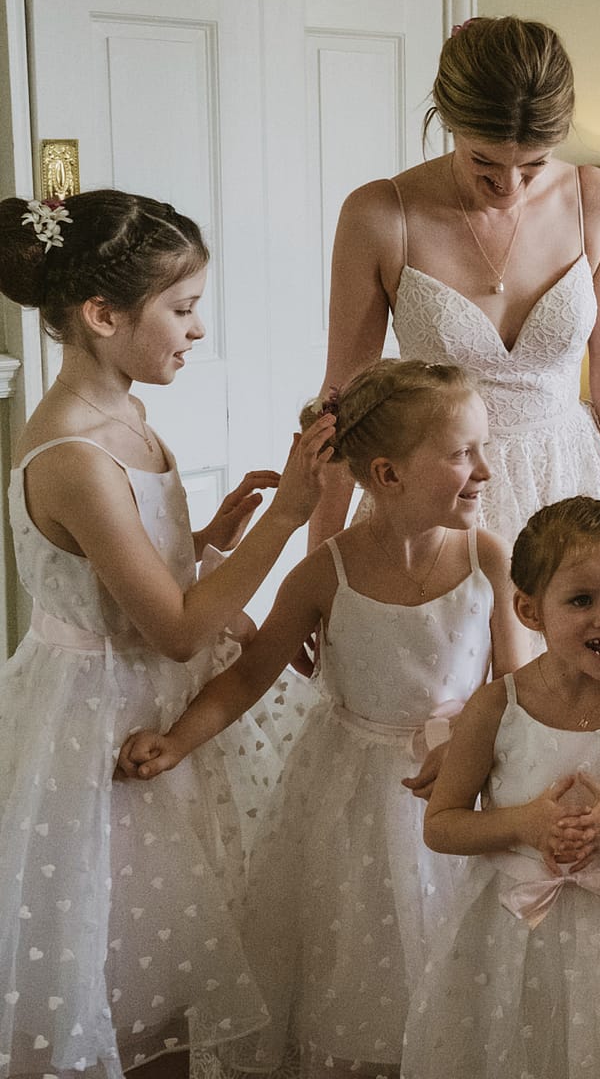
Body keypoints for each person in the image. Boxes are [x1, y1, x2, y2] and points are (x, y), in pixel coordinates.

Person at [0, 190, 336, 1075]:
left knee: (185, 941)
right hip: (100, 724)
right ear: (103, 315)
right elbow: (180, 631)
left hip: (155, 701)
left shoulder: (129, 415)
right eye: (182, 310)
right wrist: (287, 518)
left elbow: (130, 574)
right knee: (117, 959)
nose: (196, 331)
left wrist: (205, 541)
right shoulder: (73, 454)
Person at [117, 358, 529, 1075]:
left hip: (458, 788)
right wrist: (178, 741)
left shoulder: (487, 558)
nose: (486, 471)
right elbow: (249, 673)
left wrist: (476, 741)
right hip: (349, 801)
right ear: (389, 474)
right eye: (463, 454)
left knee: (453, 950)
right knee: (358, 952)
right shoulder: (323, 575)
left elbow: (520, 688)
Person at [313, 14, 600, 716]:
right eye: (485, 163)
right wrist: (323, 556)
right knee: (448, 717)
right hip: (438, 496)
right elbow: (347, 397)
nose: (510, 185)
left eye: (532, 165)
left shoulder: (596, 201)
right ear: (447, 122)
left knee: (593, 717)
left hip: (574, 480)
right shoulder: (381, 214)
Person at [406, 497, 600, 1077]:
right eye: (582, 600)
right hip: (508, 928)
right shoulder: (495, 707)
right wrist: (523, 822)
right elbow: (442, 825)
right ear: (530, 611)